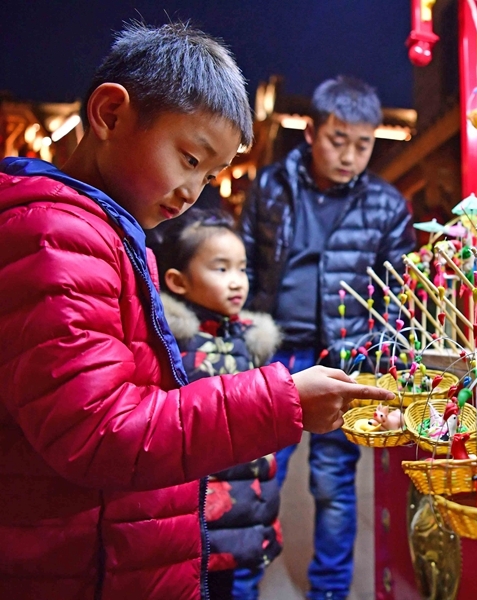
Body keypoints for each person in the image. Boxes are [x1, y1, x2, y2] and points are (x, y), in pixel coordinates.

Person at [0, 24, 392, 600]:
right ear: (110, 113)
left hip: (110, 549)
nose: (194, 192)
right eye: (189, 158)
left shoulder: (95, 233)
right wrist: (278, 398)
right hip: (81, 563)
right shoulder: (55, 237)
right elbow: (103, 429)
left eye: (208, 176)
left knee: (331, 485)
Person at [241, 76, 414, 600]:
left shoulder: (386, 205)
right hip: (275, 354)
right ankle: (239, 586)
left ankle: (330, 593)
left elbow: (398, 297)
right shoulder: (271, 187)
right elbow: (246, 264)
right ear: (312, 132)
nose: (350, 156)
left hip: (343, 357)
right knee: (258, 478)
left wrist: (380, 356)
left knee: (335, 485)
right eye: (339, 140)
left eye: (363, 145)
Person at [151, 209, 285, 600]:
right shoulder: (171, 345)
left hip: (242, 504)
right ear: (177, 281)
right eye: (221, 269)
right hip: (193, 508)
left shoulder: (249, 340)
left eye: (242, 269)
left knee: (229, 584)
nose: (236, 282)